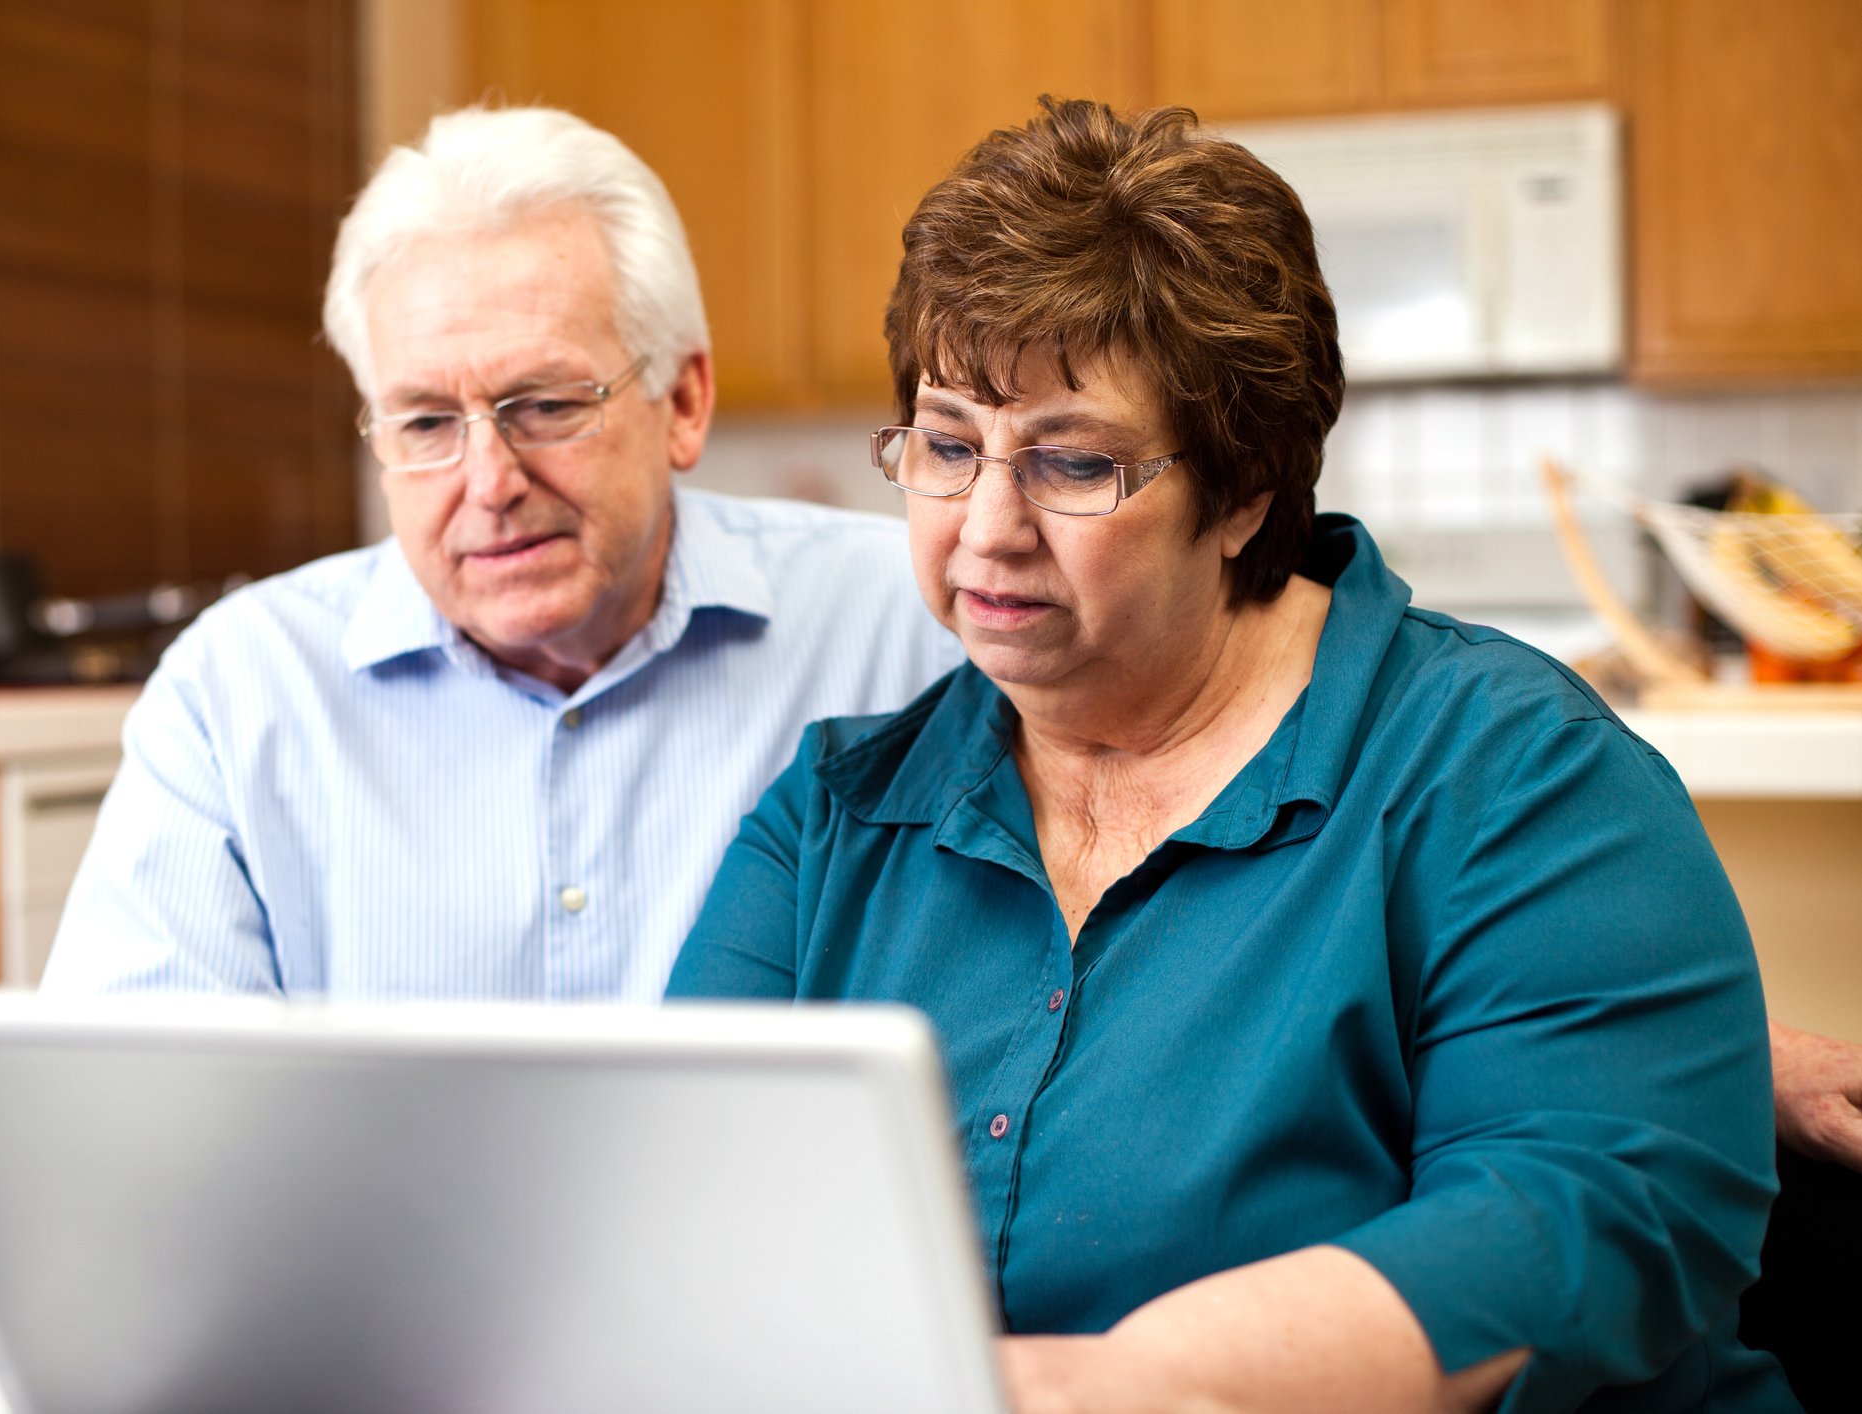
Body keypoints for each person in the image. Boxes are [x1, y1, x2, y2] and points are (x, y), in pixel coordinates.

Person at [667, 98, 1802, 1411]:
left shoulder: (1511, 774)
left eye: (1071, 462)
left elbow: (1580, 1214)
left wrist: (1115, 1385)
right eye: (946, 444)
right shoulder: (829, 823)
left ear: (1244, 491)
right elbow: (683, 1226)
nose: (985, 527)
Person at [33, 104, 962, 1002]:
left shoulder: (914, 626)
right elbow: (133, 1105)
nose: (489, 482)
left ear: (682, 401)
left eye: (547, 405)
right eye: (428, 421)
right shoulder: (238, 693)